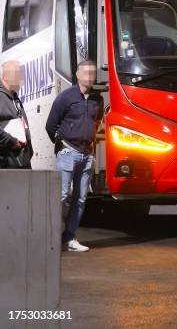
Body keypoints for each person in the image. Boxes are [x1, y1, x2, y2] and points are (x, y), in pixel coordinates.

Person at [45, 60, 104, 252]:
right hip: (68, 152)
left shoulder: (98, 99)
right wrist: (61, 146)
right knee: (62, 196)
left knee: (80, 199)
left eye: (92, 73)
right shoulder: (65, 97)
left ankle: (69, 238)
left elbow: (97, 122)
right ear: (77, 74)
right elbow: (51, 125)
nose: (89, 76)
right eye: (85, 72)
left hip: (86, 154)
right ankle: (51, 237)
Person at [0, 60, 33, 169]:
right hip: (7, 164)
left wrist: (29, 149)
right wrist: (11, 141)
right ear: (5, 76)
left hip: (22, 161)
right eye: (17, 74)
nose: (20, 79)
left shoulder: (15, 98)